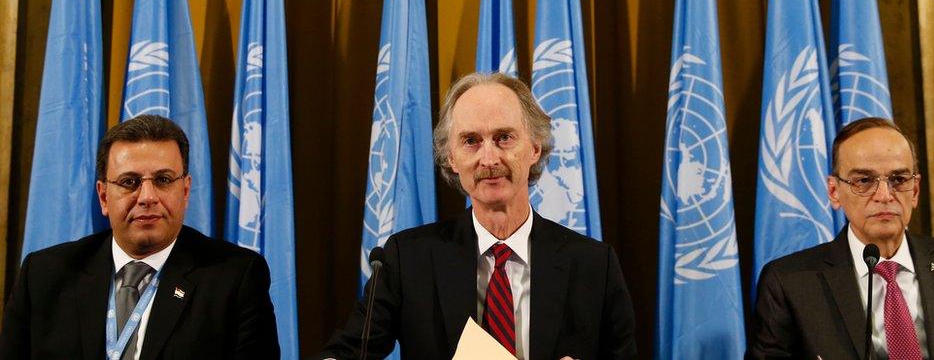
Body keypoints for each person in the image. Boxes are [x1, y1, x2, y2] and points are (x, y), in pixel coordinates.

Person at [322, 72, 637, 359]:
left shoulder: (594, 266)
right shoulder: (407, 260)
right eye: (471, 141)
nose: (489, 158)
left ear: (535, 148)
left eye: (504, 138)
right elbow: (348, 352)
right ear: (452, 158)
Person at [0, 115, 280, 359]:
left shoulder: (235, 278)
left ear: (185, 192)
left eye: (163, 180)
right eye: (129, 182)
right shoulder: (44, 275)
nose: (147, 197)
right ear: (103, 196)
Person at [750, 117, 934, 359]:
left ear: (915, 191)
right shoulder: (789, 283)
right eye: (864, 181)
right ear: (834, 192)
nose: (884, 195)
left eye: (898, 180)